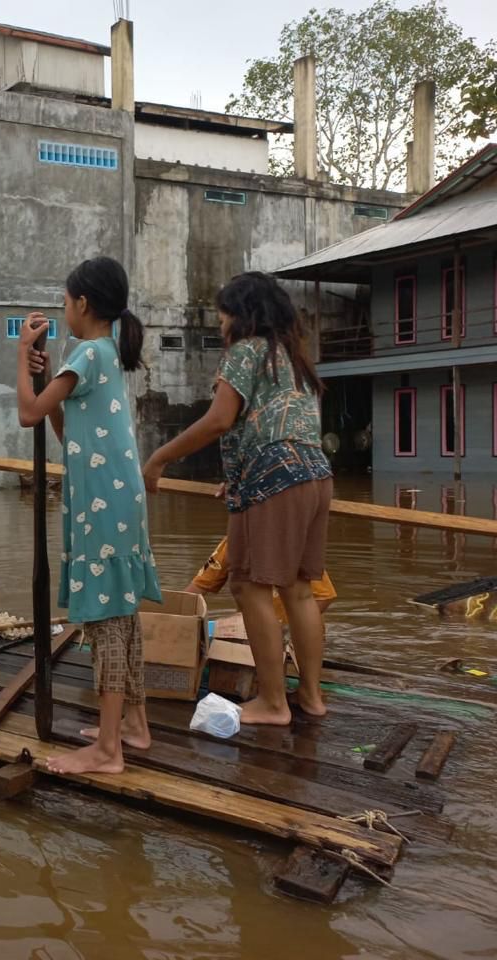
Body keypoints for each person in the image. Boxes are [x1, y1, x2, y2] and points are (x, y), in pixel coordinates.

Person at [142, 272, 332, 725]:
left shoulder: (245, 352)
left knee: (249, 585)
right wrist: (241, 473)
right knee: (300, 590)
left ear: (242, 316)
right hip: (315, 475)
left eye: (223, 314)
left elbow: (219, 420)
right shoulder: (293, 358)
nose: (220, 323)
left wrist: (158, 459)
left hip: (275, 480)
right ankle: (311, 696)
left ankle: (272, 703)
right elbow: (278, 426)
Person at [18, 256, 163, 775]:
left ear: (82, 304)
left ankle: (107, 750)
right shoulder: (100, 356)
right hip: (114, 501)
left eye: (65, 301)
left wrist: (21, 361)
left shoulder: (87, 352)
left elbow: (26, 414)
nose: (63, 309)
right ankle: (134, 726)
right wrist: (44, 379)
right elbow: (62, 428)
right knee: (121, 615)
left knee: (106, 621)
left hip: (105, 506)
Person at [186, 532, 336, 622]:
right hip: (253, 627)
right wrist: (172, 613)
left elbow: (324, 597)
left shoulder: (294, 547)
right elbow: (198, 587)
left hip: (293, 631)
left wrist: (289, 628)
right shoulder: (233, 542)